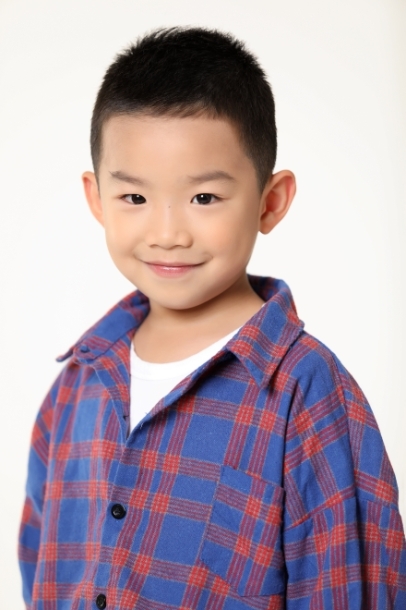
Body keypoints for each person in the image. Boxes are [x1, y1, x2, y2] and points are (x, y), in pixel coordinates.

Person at [18, 26, 406, 610]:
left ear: (270, 202)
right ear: (96, 199)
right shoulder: (77, 385)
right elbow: (41, 570)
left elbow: (349, 587)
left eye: (204, 198)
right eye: (134, 198)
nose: (168, 233)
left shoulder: (306, 393)